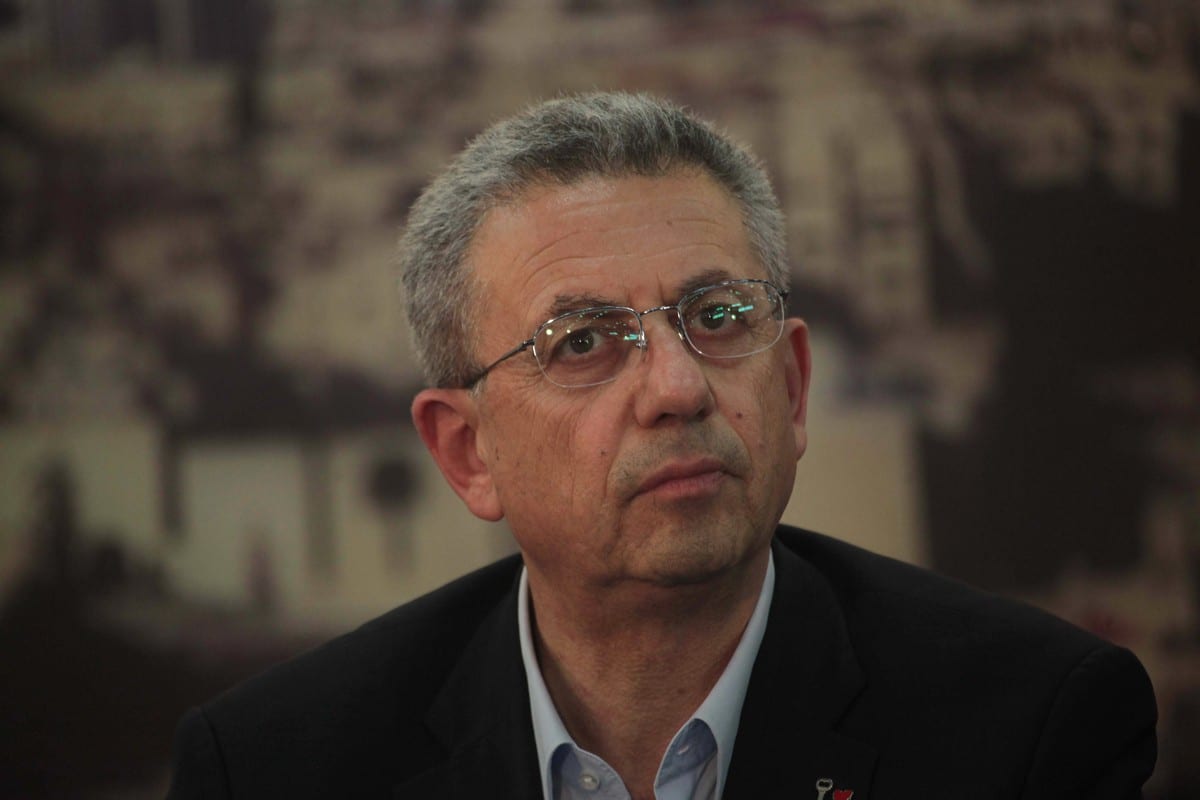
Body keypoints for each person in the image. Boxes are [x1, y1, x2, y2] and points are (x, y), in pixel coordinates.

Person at [167, 92, 1157, 799]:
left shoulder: (1031, 728)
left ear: (795, 383)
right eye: (584, 342)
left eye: (720, 314)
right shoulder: (276, 766)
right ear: (468, 451)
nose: (681, 387)